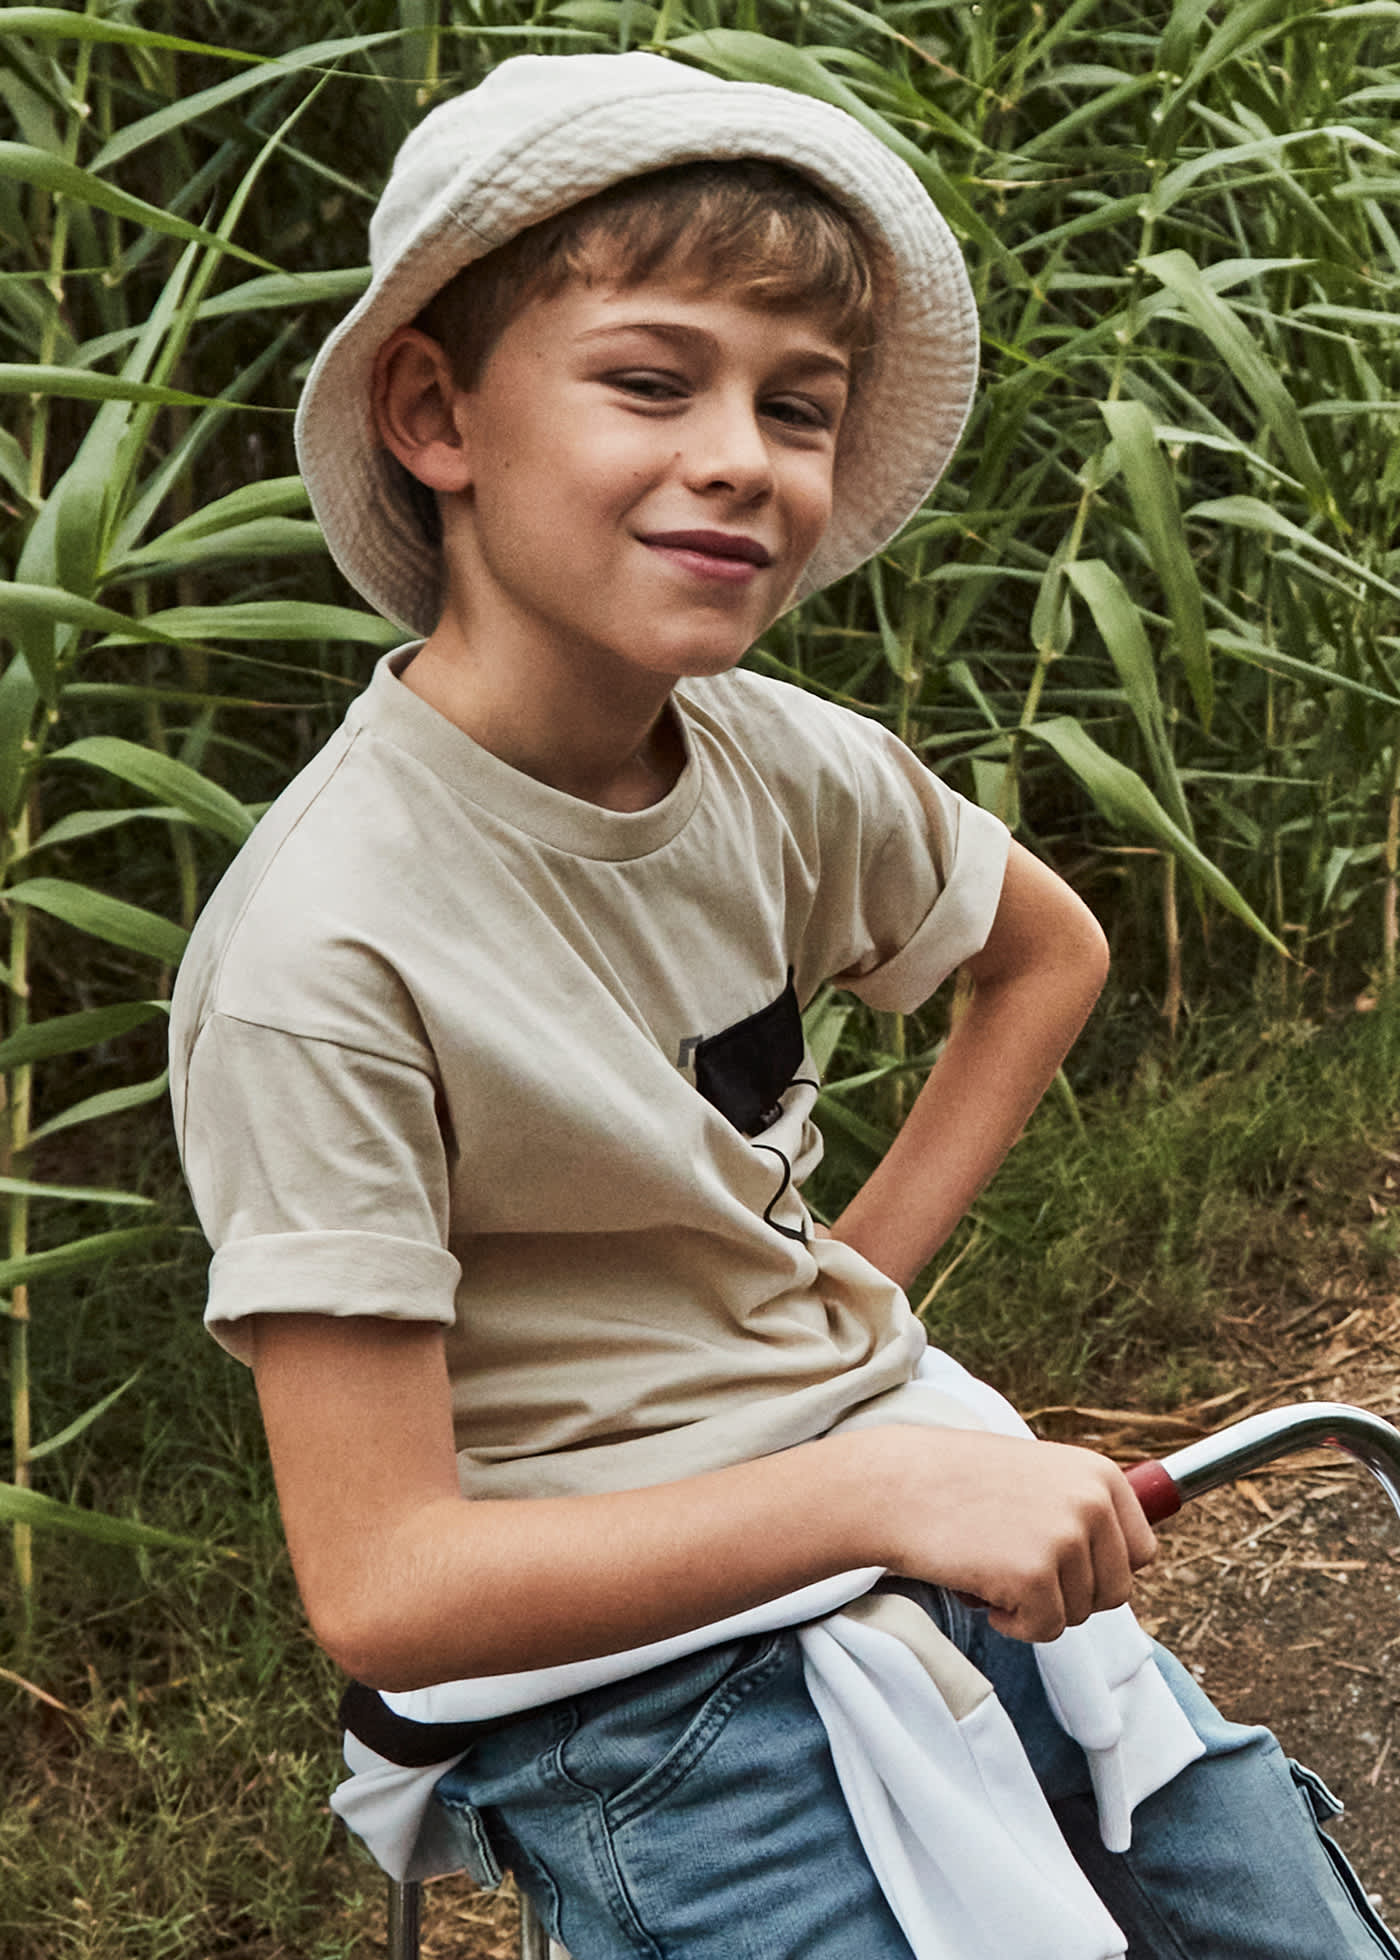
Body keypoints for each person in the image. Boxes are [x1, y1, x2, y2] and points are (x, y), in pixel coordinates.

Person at [169, 50, 1398, 1960]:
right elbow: (391, 1587)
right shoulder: (322, 956)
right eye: (651, 382)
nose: (744, 454)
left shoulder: (785, 769)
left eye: (799, 408)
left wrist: (865, 1331)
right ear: (438, 412)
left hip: (900, 1490)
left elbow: (1043, 953)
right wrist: (870, 1485)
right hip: (629, 1683)